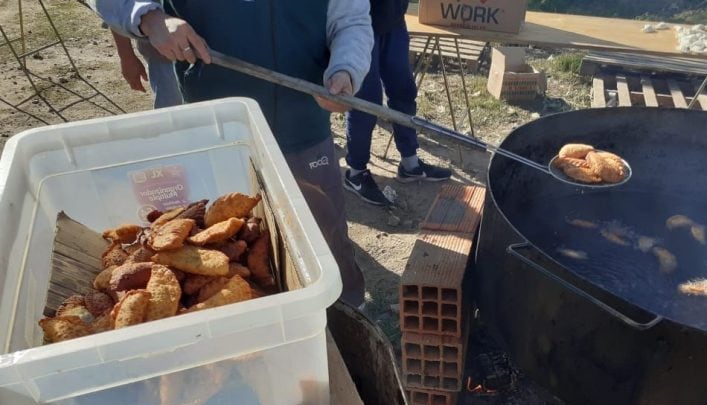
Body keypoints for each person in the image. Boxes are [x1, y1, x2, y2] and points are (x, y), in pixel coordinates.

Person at [90, 0, 373, 308]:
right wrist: (151, 19)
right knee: (231, 244)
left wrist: (347, 68)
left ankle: (347, 312)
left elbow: (350, 21)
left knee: (324, 231)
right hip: (217, 132)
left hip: (304, 127)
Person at [343, 0, 452, 206]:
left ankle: (410, 164)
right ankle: (355, 173)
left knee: (403, 90)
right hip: (358, 23)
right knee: (365, 102)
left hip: (394, 20)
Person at [109, 29, 182, 108]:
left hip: (192, 52)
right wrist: (127, 57)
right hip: (164, 57)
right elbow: (116, 17)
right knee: (170, 112)